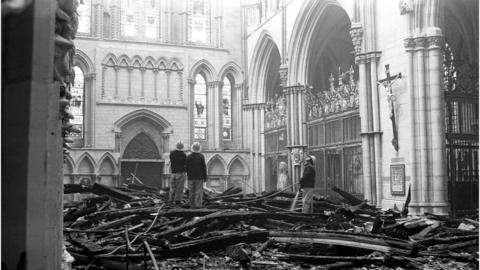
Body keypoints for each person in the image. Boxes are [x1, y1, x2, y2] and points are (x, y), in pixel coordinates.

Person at [186, 142, 207, 208]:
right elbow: (204, 167)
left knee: (191, 192)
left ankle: (192, 205)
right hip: (199, 177)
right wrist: (205, 177)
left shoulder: (189, 157)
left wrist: (188, 174)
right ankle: (198, 205)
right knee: (198, 192)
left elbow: (186, 167)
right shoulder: (201, 156)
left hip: (191, 177)